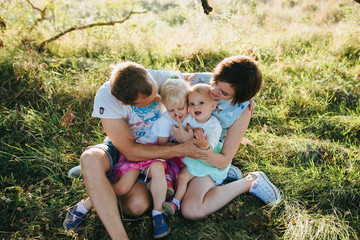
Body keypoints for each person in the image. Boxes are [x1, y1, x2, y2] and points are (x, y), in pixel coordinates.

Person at [63, 62, 207, 240]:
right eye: (148, 101)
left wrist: (241, 95)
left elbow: (198, 79)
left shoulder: (161, 78)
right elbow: (130, 151)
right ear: (126, 102)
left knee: (137, 206)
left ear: (148, 75)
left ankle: (99, 182)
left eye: (156, 93)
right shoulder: (107, 97)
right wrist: (181, 149)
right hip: (122, 149)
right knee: (90, 158)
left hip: (155, 150)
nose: (156, 98)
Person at [163, 83, 226, 215]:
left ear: (213, 106)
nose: (195, 107)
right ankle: (170, 191)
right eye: (191, 104)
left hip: (205, 159)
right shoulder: (189, 117)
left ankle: (175, 202)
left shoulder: (213, 125)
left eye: (201, 103)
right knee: (174, 169)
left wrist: (201, 143)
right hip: (189, 155)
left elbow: (208, 148)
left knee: (183, 176)